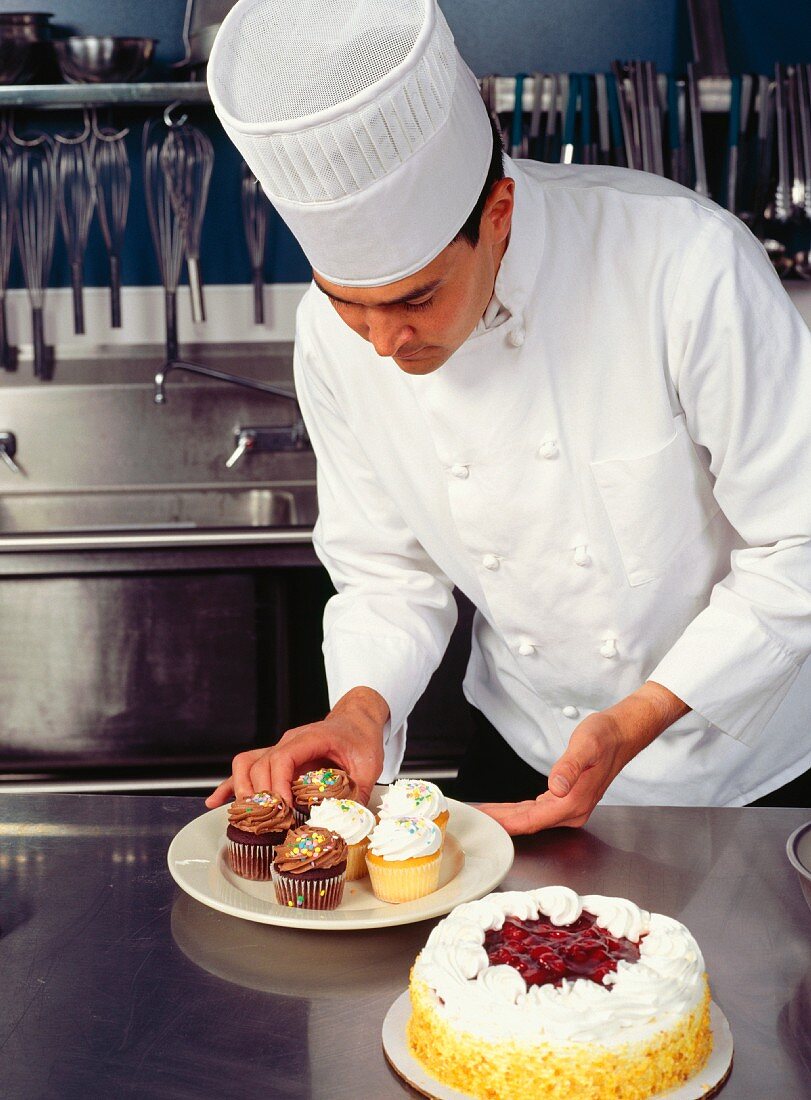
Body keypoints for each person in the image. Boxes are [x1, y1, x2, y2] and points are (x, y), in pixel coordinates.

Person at [205, 0, 811, 833]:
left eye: (415, 297)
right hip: (522, 751)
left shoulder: (684, 265)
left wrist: (633, 719)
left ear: (497, 216)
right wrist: (358, 712)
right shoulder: (329, 335)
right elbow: (387, 571)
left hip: (743, 768)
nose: (384, 342)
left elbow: (799, 543)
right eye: (351, 304)